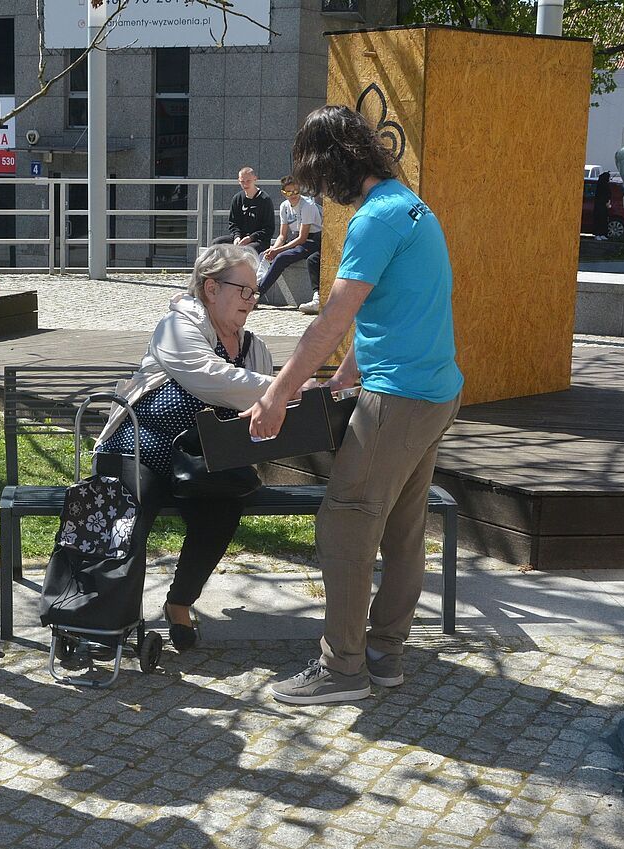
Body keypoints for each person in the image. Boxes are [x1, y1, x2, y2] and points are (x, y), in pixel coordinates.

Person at [243, 105, 463, 705]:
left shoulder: (374, 221)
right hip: (434, 390)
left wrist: (276, 396)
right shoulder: (409, 205)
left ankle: (342, 671)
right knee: (401, 530)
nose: (319, 191)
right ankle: (383, 657)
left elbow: (329, 322)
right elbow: (387, 315)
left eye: (316, 176)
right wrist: (341, 380)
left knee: (344, 520)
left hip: (398, 398)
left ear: (334, 163)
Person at [93, 243, 275, 651]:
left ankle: (179, 602)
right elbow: (214, 379)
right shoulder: (176, 327)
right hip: (138, 451)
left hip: (203, 464)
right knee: (129, 519)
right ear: (211, 289)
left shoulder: (255, 349)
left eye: (254, 292)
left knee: (223, 510)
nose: (252, 300)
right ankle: (109, 619)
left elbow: (259, 409)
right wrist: (284, 388)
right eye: (243, 290)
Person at [257, 175, 324, 314]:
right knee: (266, 254)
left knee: (281, 257)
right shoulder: (284, 206)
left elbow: (302, 238)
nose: (293, 195)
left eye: (296, 191)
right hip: (297, 240)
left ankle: (258, 294)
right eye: (289, 192)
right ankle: (253, 287)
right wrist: (274, 248)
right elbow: (282, 235)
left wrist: (279, 251)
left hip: (312, 240)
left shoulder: (308, 205)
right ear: (283, 193)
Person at [211, 167, 275, 254]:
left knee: (246, 250)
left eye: (248, 181)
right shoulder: (237, 198)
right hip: (241, 238)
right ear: (238, 181)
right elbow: (233, 223)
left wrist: (251, 238)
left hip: (259, 240)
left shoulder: (265, 199)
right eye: (242, 181)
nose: (245, 184)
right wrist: (237, 237)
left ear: (255, 179)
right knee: (216, 244)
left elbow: (269, 228)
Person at [592, 171, 612, 240]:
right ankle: (598, 234)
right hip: (600, 205)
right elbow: (601, 196)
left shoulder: (604, 185)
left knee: (603, 220)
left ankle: (602, 234)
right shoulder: (601, 185)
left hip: (603, 206)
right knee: (599, 220)